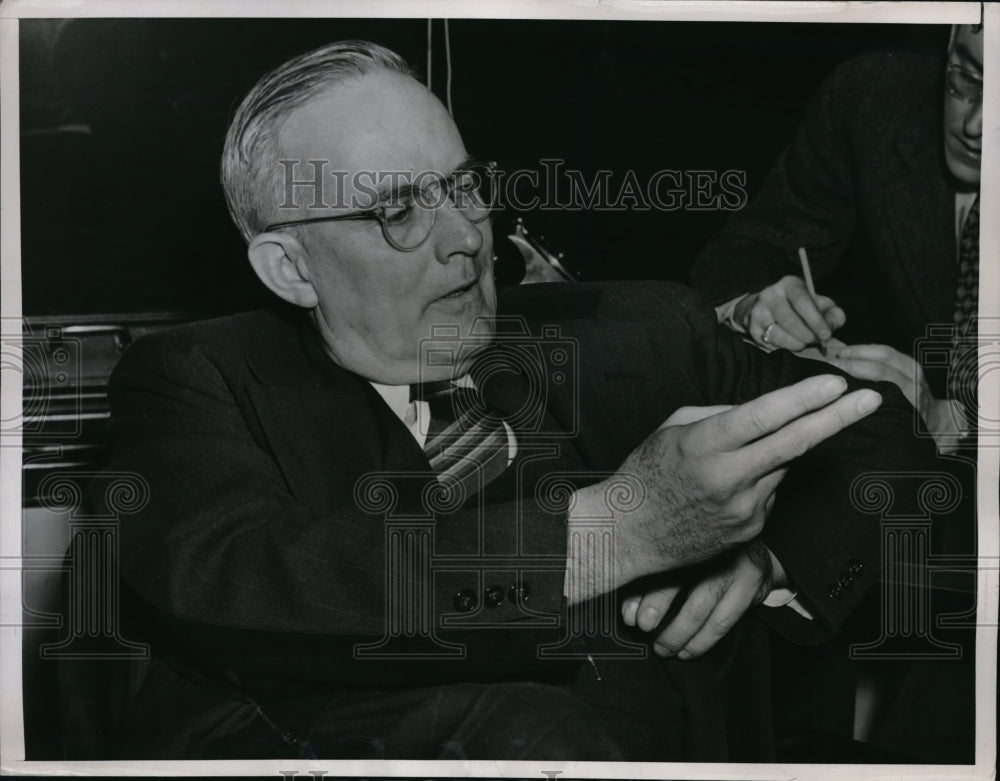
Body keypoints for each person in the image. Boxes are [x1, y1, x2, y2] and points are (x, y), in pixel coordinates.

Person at [97, 40, 937, 761]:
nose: (468, 238)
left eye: (464, 187)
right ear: (291, 268)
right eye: (398, 210)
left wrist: (771, 558)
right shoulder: (199, 380)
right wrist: (617, 532)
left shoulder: (639, 330)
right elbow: (246, 579)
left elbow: (882, 429)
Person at [691, 24, 983, 453]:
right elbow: (749, 249)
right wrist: (750, 307)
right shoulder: (874, 98)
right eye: (967, 78)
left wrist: (956, 423)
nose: (975, 126)